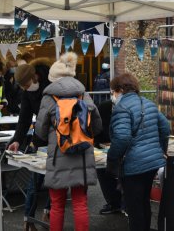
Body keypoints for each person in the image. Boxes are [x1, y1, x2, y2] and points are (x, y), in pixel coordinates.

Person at [34, 52, 102, 231]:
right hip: (82, 154)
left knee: (57, 204)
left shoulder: (49, 97)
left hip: (58, 155)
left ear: (53, 78)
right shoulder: (83, 95)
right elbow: (98, 125)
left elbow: (40, 132)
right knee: (80, 203)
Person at [108, 73, 170, 231]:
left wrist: (112, 158)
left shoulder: (121, 108)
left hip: (133, 164)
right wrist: (161, 149)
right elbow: (165, 127)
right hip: (152, 163)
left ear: (120, 90)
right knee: (143, 202)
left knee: (134, 207)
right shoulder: (148, 103)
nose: (113, 95)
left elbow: (122, 138)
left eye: (113, 91)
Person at [7, 58, 51, 231]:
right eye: (22, 87)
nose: (25, 89)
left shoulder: (51, 85)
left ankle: (48, 211)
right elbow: (24, 118)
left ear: (36, 77)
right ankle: (28, 219)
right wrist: (17, 139)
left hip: (57, 138)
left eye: (26, 85)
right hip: (39, 138)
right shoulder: (27, 92)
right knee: (35, 180)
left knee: (56, 180)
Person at [94, 100, 123, 215]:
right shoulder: (105, 107)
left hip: (111, 145)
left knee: (105, 171)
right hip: (109, 144)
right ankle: (116, 202)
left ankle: (115, 203)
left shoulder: (105, 107)